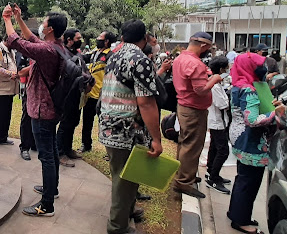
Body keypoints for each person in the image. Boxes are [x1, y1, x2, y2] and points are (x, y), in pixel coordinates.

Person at [98, 20, 163, 234]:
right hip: (125, 128)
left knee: (126, 173)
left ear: (123, 37)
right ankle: (117, 226)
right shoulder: (140, 59)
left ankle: (129, 208)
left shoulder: (114, 55)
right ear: (144, 38)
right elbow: (146, 102)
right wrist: (157, 138)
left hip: (109, 124)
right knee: (125, 178)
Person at [3, 4, 64, 217]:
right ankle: (52, 189)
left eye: (44, 23)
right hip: (51, 109)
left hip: (41, 110)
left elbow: (17, 42)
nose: (41, 26)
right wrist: (19, 19)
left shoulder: (47, 51)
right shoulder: (56, 46)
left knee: (46, 156)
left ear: (49, 29)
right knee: (52, 151)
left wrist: (7, 19)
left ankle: (46, 205)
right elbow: (31, 39)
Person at [227, 52, 284, 234]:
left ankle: (236, 213)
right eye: (260, 65)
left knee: (242, 178)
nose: (264, 69)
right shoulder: (249, 90)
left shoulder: (238, 85)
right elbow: (251, 119)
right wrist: (277, 113)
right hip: (251, 141)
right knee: (250, 181)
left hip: (239, 137)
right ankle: (241, 221)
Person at [172, 32, 222, 199]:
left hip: (184, 105)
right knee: (192, 146)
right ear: (203, 46)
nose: (208, 50)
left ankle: (183, 174)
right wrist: (214, 79)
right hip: (193, 109)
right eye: (208, 47)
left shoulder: (180, 59)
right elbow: (200, 90)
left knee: (185, 142)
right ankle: (184, 182)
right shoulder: (195, 63)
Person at [79, 31, 117, 153]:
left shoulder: (111, 56)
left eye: (100, 37)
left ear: (106, 41)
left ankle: (109, 151)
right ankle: (86, 144)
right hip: (90, 94)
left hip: (103, 96)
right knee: (87, 121)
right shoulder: (95, 53)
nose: (97, 39)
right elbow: (82, 58)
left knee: (106, 124)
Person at [54, 28, 85, 167]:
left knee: (73, 122)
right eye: (78, 39)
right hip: (66, 94)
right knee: (65, 124)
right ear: (69, 40)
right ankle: (59, 152)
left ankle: (67, 148)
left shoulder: (78, 53)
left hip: (77, 93)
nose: (81, 41)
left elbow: (84, 69)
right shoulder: (62, 53)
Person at [205, 56, 232, 195]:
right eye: (226, 67)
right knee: (223, 151)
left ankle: (211, 171)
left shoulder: (217, 83)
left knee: (214, 148)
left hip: (218, 121)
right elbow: (223, 104)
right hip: (217, 122)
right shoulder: (215, 85)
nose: (228, 69)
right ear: (221, 69)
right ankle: (213, 178)